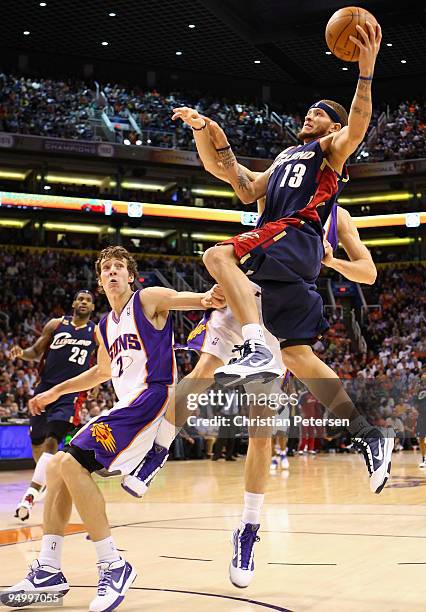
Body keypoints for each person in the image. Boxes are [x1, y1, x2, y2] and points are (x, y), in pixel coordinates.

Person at [124, 96, 393, 588]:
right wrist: (205, 127)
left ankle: (248, 529)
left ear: (334, 128)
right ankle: (157, 454)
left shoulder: (336, 209)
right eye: (306, 108)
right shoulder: (284, 166)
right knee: (201, 372)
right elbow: (233, 177)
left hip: (288, 287)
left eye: (319, 111)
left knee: (262, 427)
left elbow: (369, 273)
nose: (308, 113)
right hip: (248, 282)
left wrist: (332, 262)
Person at [2, 246, 225, 612]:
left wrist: (207, 296)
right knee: (58, 466)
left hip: (150, 400)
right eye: (106, 268)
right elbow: (101, 373)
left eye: (119, 267)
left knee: (70, 463)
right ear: (100, 280)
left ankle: (113, 564)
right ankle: (49, 569)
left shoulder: (148, 299)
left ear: (130, 276)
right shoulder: (105, 326)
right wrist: (54, 391)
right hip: (126, 407)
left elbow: (191, 299)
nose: (112, 272)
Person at [9, 290, 97, 521]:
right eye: (80, 299)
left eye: (88, 300)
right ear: (73, 303)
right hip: (44, 391)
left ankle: (29, 497)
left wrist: (97, 381)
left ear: (93, 307)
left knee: (51, 442)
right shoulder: (56, 324)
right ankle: (46, 478)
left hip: (71, 394)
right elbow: (36, 351)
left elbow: (103, 360)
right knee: (37, 443)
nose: (83, 302)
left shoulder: (96, 332)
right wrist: (21, 354)